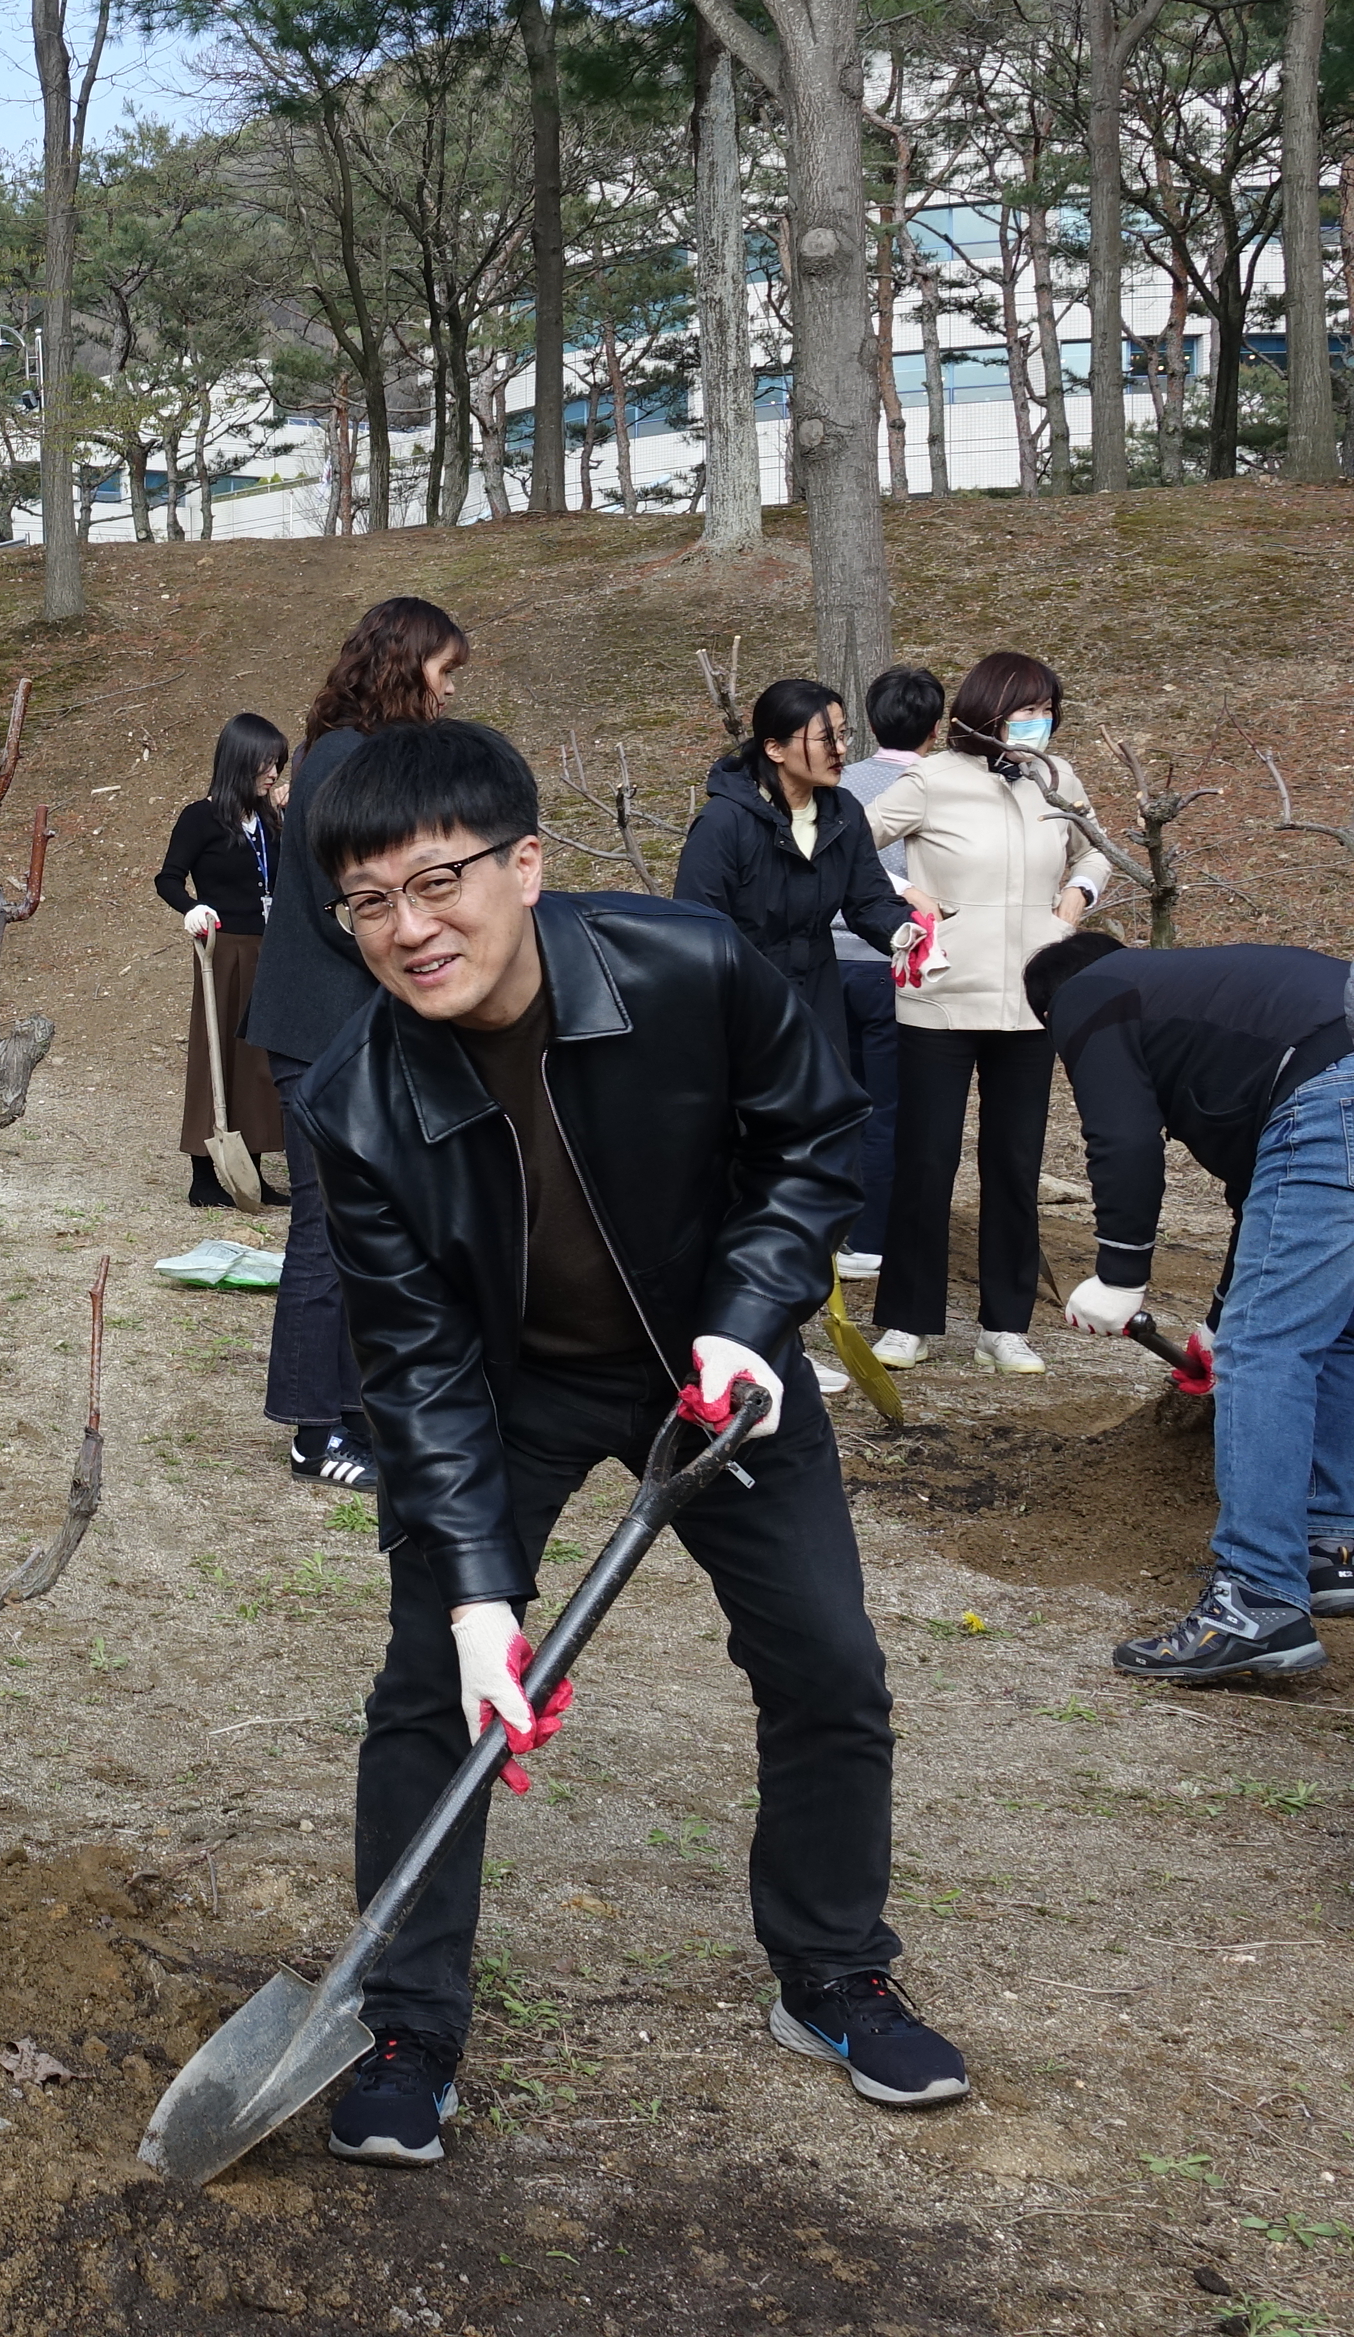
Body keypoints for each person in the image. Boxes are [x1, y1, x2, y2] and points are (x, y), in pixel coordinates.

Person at [293, 718, 962, 2169]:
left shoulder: (693, 968)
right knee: (429, 1697)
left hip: (713, 1374)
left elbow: (810, 1143)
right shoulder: (355, 1102)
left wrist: (750, 1317)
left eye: (436, 884)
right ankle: (409, 2022)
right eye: (368, 904)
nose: (408, 931)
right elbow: (412, 1361)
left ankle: (834, 1971)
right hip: (511, 1391)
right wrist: (479, 1599)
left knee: (828, 1665)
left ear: (525, 864)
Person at [1032, 930, 1354, 1682]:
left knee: (1267, 1352)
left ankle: (1256, 1599)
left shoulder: (1087, 990)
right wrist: (1216, 1318)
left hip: (1336, 1096)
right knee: (1336, 1334)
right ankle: (1330, 1544)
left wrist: (1119, 1276)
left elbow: (1123, 1137)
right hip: (1334, 1088)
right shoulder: (1218, 1011)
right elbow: (1260, 1197)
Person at [244, 596, 470, 1494]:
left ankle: (365, 1408)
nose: (449, 690)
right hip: (321, 1029)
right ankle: (313, 1429)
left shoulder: (366, 758)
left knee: (374, 1228)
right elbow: (352, 908)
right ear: (404, 664)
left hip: (361, 1028)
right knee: (327, 1226)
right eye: (443, 671)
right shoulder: (342, 759)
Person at [673, 675, 932, 1390]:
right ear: (777, 747)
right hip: (739, 1018)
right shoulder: (724, 825)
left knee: (811, 1172)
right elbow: (694, 929)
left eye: (846, 734)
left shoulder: (844, 811)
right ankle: (724, 1336)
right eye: (829, 737)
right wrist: (736, 1012)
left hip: (816, 1008)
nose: (844, 749)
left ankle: (782, 1334)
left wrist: (904, 934)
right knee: (742, 1178)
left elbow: (869, 900)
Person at [862, 651, 1110, 1375]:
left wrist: (1077, 898)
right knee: (926, 1159)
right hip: (940, 996)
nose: (1041, 724)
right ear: (988, 710)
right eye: (1028, 711)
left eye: (1048, 712)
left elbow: (1096, 851)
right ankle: (907, 1322)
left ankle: (1006, 1325)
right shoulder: (931, 779)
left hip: (1033, 1003)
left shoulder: (1058, 780)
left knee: (1014, 1162)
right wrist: (905, 893)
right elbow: (853, 848)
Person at [830, 667, 946, 1278]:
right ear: (936, 726)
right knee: (887, 1105)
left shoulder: (839, 781)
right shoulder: (937, 785)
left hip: (827, 963)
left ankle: (830, 1227)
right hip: (893, 962)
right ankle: (871, 1239)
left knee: (836, 1102)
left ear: (870, 723)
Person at [156, 712, 292, 1207]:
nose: (274, 773)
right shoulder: (200, 817)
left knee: (258, 1059)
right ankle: (203, 1176)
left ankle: (251, 1171)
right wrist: (194, 908)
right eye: (266, 763)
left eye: (278, 764)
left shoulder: (273, 819)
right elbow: (167, 879)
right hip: (223, 948)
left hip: (271, 949)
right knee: (215, 1053)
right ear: (240, 760)